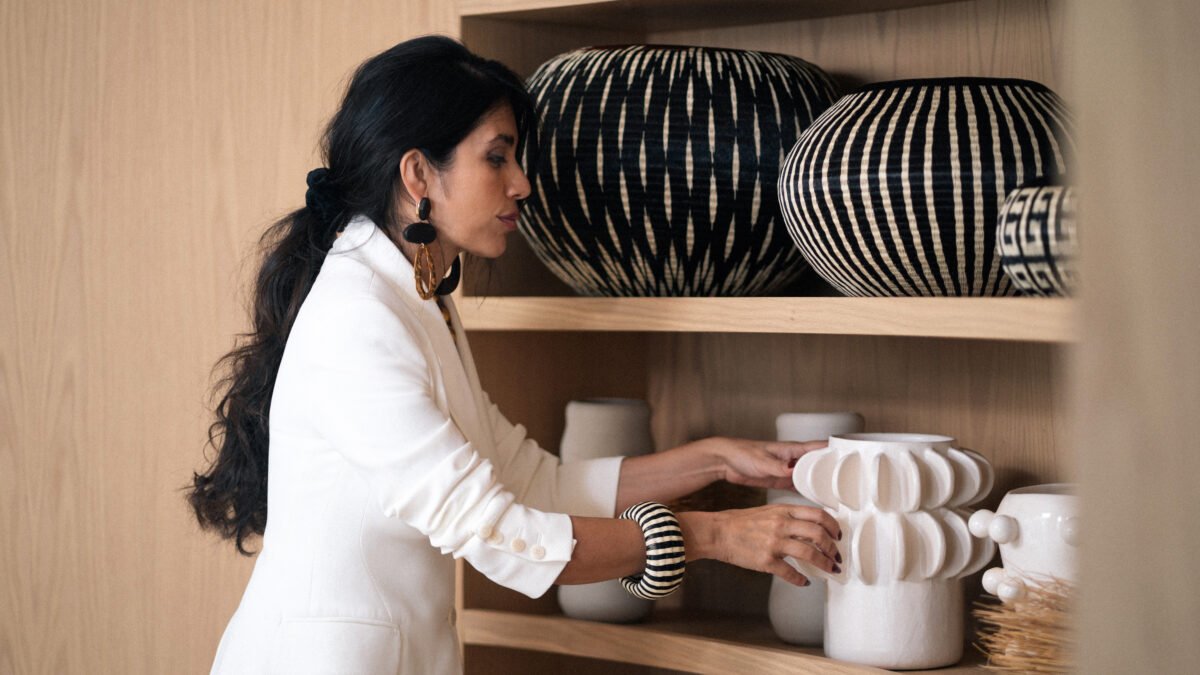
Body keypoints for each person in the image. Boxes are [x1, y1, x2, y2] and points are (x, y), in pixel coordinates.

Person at [188, 35, 841, 675]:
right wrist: (713, 536)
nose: (522, 184)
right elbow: (495, 532)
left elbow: (533, 481)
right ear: (418, 174)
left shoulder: (418, 302)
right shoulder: (359, 319)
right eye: (497, 158)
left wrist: (717, 458)